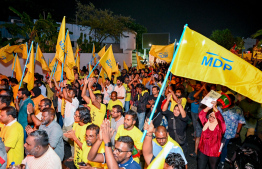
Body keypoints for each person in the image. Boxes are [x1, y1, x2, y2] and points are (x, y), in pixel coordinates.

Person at [217, 94, 245, 168]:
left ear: (233, 101)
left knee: (223, 146)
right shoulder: (220, 108)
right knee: (218, 145)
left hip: (229, 133)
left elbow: (241, 122)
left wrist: (237, 132)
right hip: (219, 131)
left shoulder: (238, 110)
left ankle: (221, 162)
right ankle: (217, 158)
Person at [197, 101, 226, 169]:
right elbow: (201, 115)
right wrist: (208, 107)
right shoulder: (206, 124)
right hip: (203, 150)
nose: (211, 118)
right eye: (210, 116)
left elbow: (221, 120)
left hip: (213, 152)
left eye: (214, 117)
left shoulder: (220, 128)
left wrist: (215, 108)